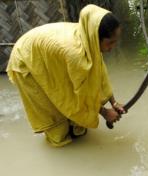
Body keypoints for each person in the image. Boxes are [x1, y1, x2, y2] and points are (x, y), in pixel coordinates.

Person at [6, 4, 125, 147]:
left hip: (49, 55)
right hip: (26, 62)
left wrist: (114, 102)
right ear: (96, 37)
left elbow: (99, 75)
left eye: (115, 42)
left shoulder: (89, 39)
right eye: (110, 43)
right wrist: (105, 113)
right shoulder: (75, 54)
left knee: (76, 118)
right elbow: (79, 94)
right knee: (56, 123)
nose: (112, 48)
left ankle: (75, 126)